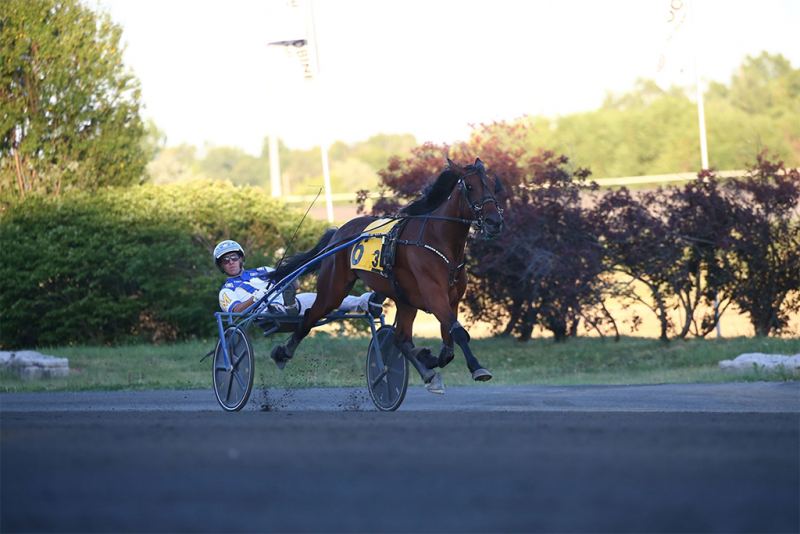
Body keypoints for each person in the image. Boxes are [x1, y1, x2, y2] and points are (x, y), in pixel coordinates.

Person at [213, 240, 384, 317]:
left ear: (241, 258)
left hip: (292, 301)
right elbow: (236, 312)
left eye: (234, 257)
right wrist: (254, 299)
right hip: (263, 312)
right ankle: (286, 306)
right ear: (221, 266)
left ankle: (365, 302)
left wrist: (292, 276)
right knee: (275, 304)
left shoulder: (264, 270)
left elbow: (296, 285)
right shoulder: (226, 291)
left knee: (322, 298)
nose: (231, 262)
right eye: (225, 260)